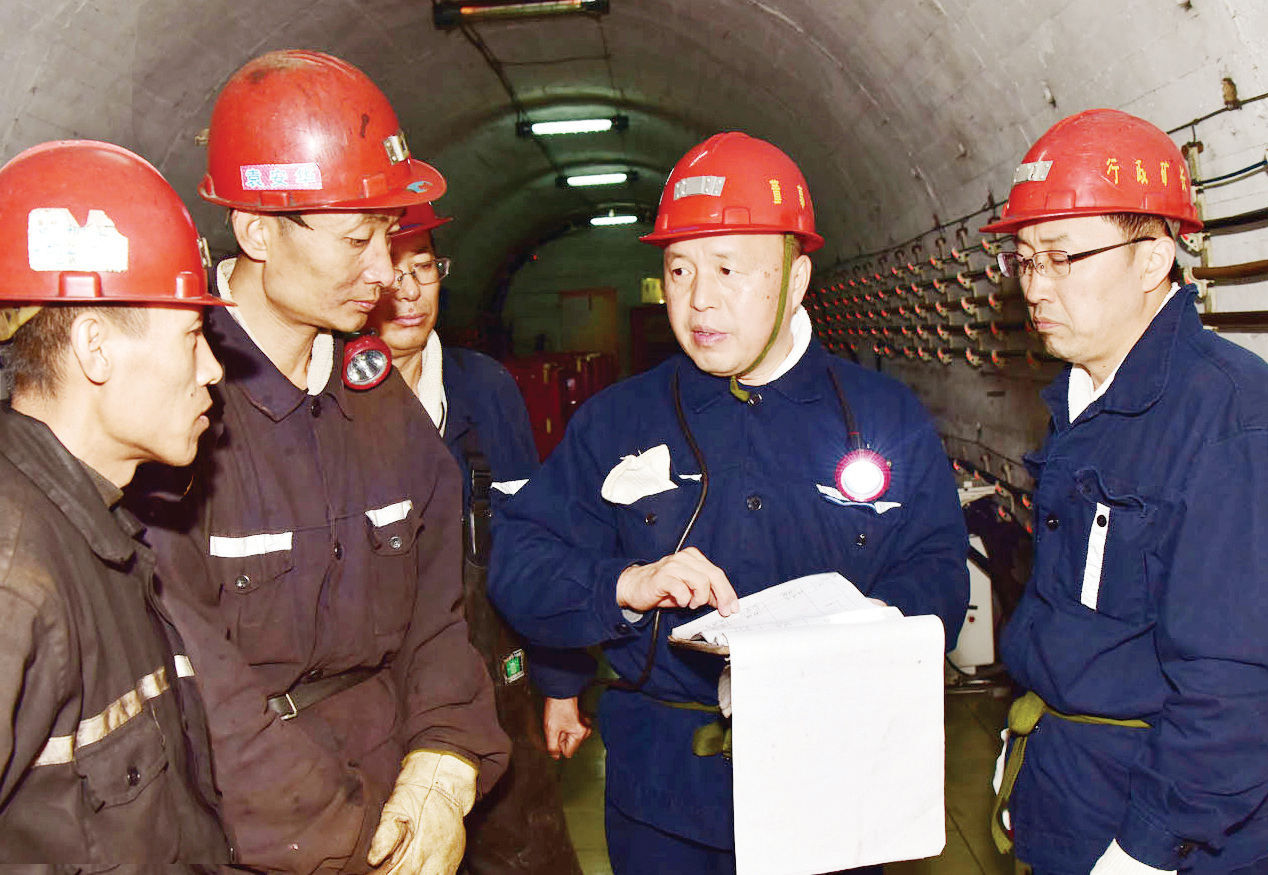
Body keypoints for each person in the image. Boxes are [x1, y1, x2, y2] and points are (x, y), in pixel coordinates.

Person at [487, 131, 969, 874]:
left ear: (796, 278)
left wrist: (861, 634)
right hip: (666, 797)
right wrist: (623, 585)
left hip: (829, 783)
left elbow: (937, 567)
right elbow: (520, 562)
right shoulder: (618, 421)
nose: (698, 299)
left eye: (728, 269)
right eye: (679, 269)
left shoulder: (882, 416)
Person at [130, 50, 509, 874]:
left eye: (389, 236)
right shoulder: (173, 414)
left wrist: (442, 767)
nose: (384, 272)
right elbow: (199, 689)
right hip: (249, 828)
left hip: (391, 798)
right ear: (257, 229)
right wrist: (345, 840)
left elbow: (438, 616)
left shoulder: (379, 400)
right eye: (356, 239)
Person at [986, 109, 1268, 874]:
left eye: (1061, 257)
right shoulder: (1081, 400)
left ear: (1152, 260)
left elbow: (1233, 691)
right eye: (1024, 260)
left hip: (1162, 832)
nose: (1035, 285)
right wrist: (1030, 764)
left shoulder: (1228, 421)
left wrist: (1145, 851)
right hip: (1068, 794)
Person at [0, 140, 229, 863]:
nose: (212, 368)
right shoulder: (15, 578)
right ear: (94, 347)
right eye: (192, 335)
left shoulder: (95, 526)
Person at [364, 204, 583, 875]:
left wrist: (559, 682)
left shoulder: (484, 389)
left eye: (424, 267)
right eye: (392, 269)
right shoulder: (327, 398)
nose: (408, 290)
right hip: (375, 700)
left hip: (493, 687)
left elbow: (532, 541)